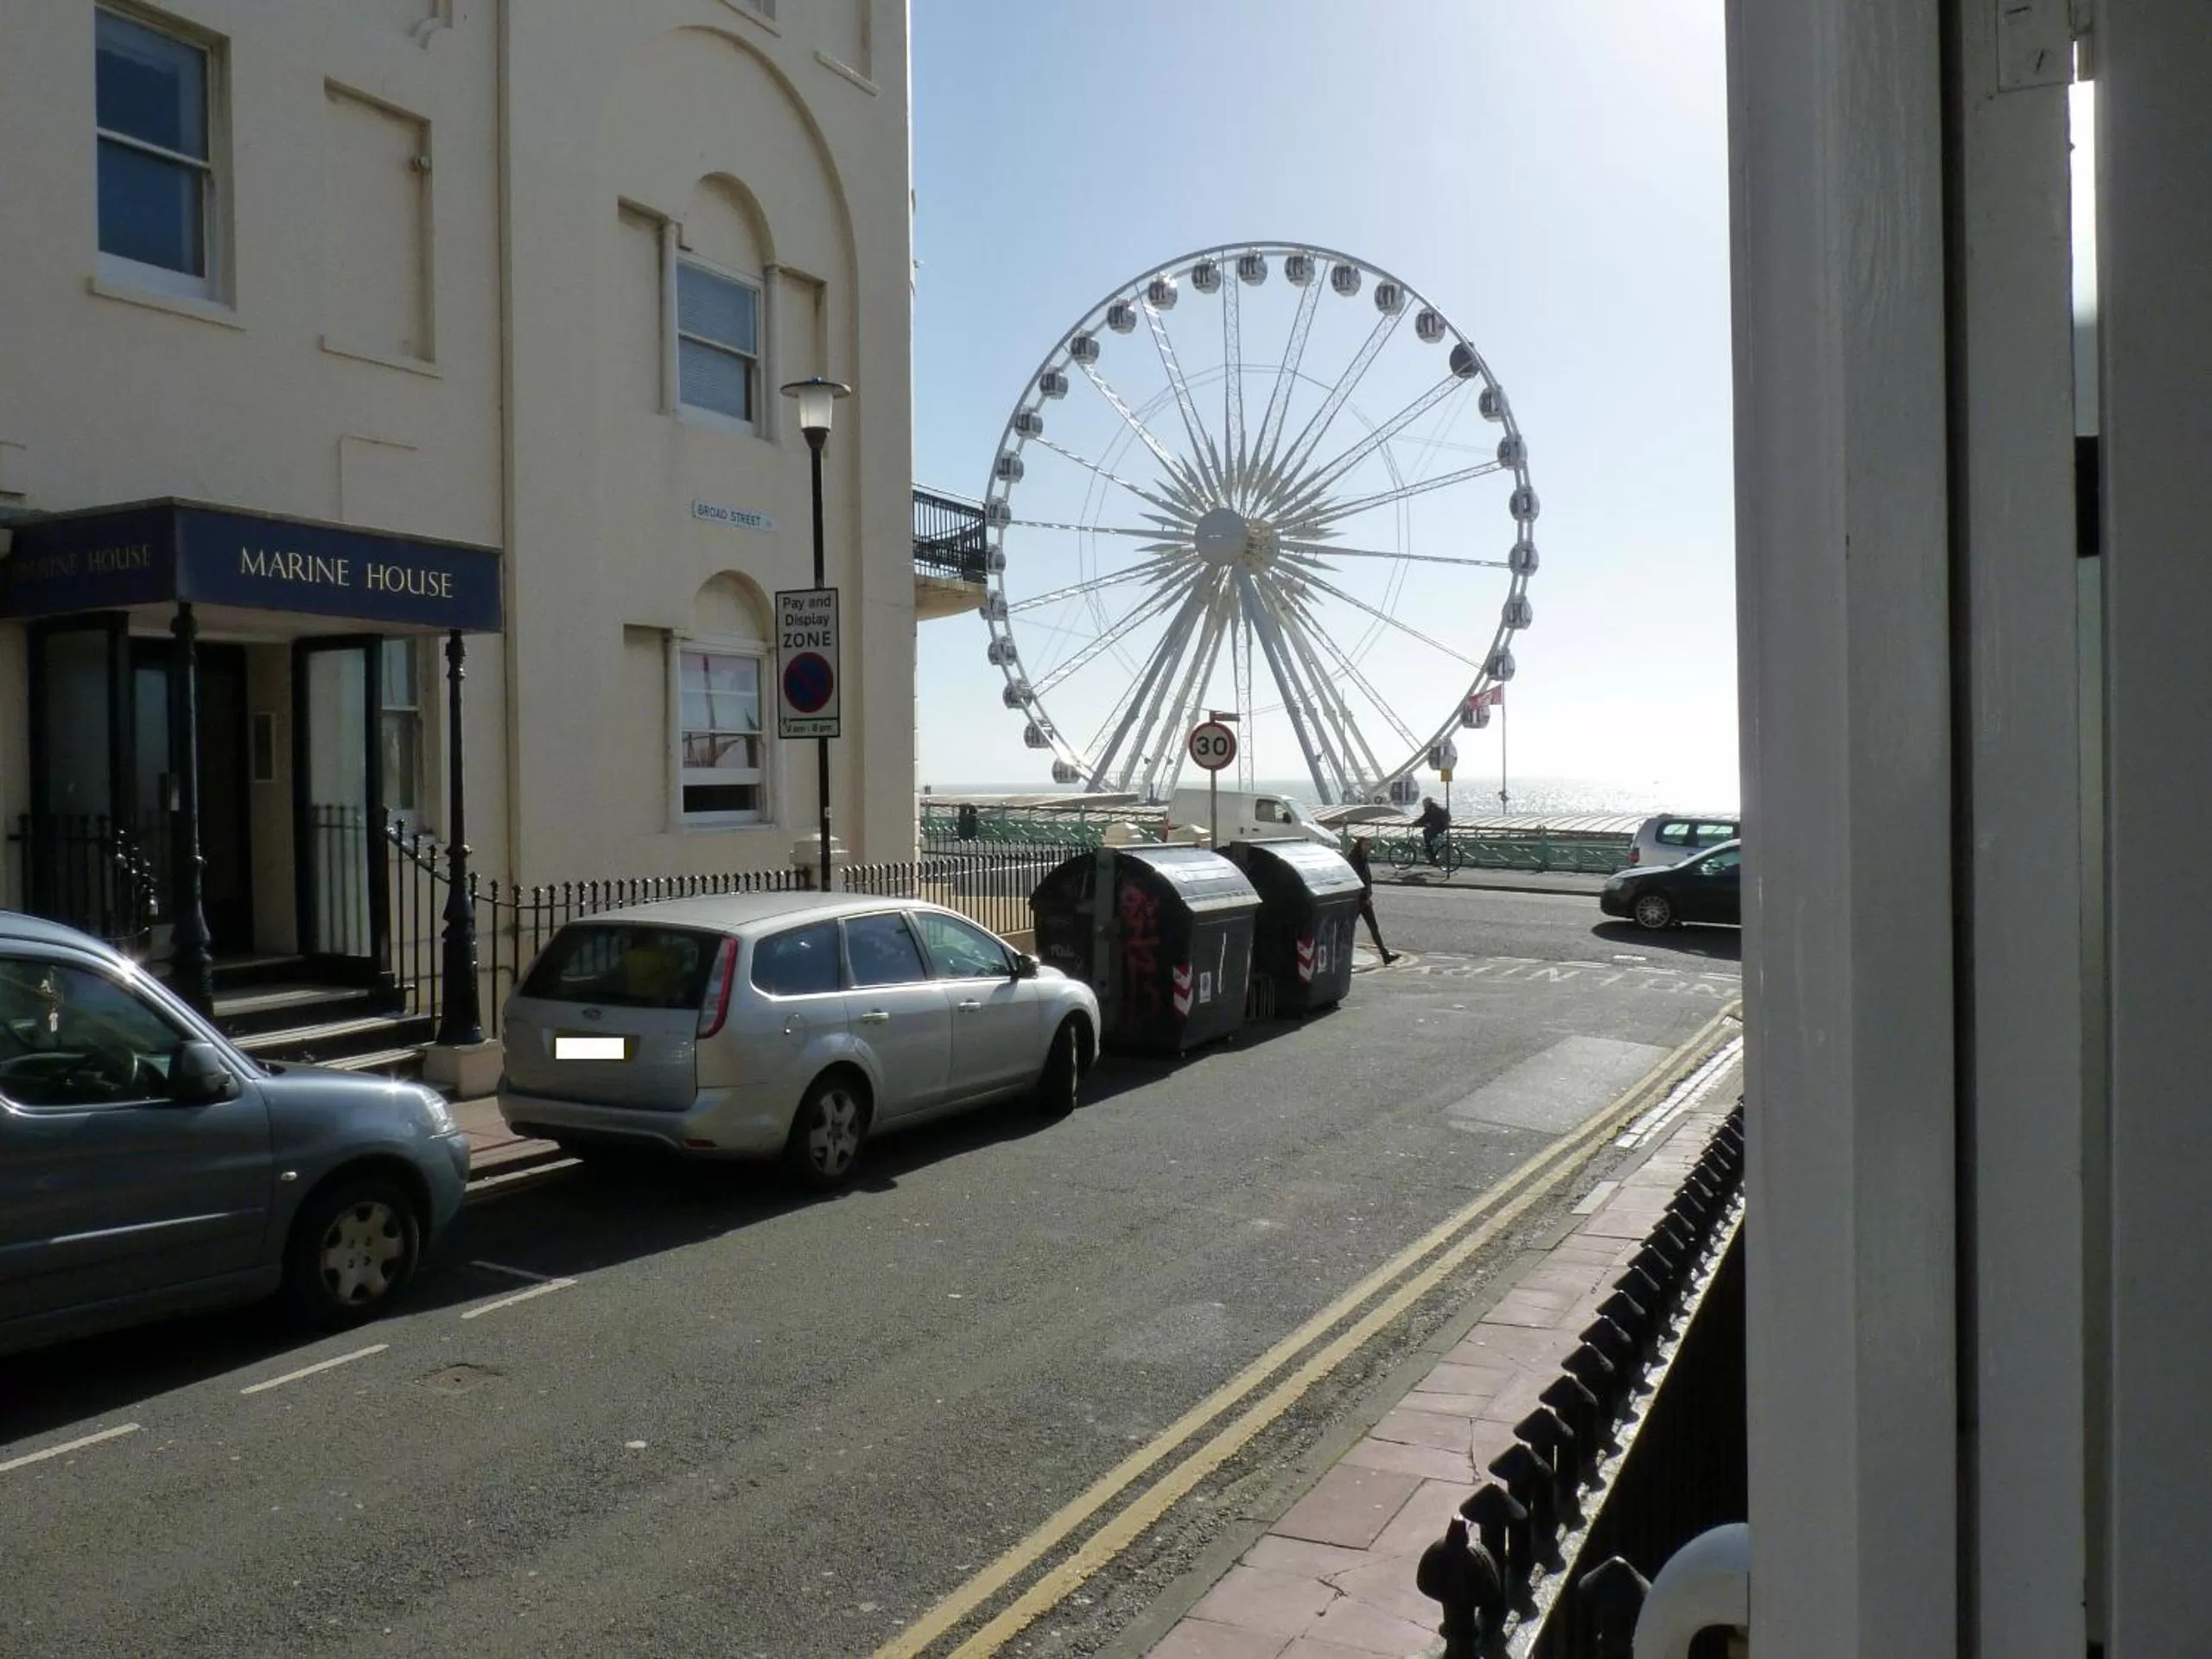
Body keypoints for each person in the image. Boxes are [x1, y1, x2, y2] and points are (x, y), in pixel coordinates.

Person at [1347, 836, 1399, 965]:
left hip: (1364, 900)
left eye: (1369, 845)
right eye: (1365, 845)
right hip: (1358, 900)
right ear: (1359, 845)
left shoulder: (1363, 858)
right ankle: (1343, 955)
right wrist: (1364, 897)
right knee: (1348, 929)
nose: (1368, 848)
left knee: (1373, 927)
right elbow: (1356, 881)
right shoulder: (1354, 859)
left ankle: (1385, 955)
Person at [1416, 796, 1452, 866]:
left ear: (1427, 803)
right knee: (1427, 833)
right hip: (1442, 825)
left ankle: (1432, 857)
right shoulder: (1435, 807)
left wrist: (1414, 823)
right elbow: (1427, 818)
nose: (1423, 805)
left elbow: (1424, 818)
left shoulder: (1431, 809)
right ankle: (1431, 855)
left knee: (1427, 835)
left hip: (1440, 826)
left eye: (1424, 803)